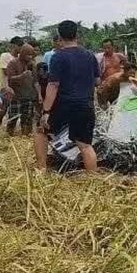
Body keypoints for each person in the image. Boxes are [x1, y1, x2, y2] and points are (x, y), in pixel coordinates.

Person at [37, 21, 101, 172]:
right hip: (85, 104)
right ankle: (95, 179)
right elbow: (98, 81)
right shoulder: (90, 55)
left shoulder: (58, 57)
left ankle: (41, 170)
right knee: (85, 145)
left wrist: (46, 112)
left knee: (41, 131)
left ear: (59, 36)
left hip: (64, 105)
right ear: (76, 35)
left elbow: (53, 85)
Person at [4, 43, 40, 136]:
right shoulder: (13, 63)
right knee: (12, 118)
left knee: (27, 119)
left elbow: (36, 82)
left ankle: (26, 137)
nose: (30, 57)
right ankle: (9, 137)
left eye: (31, 54)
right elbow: (10, 79)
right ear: (22, 53)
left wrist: (39, 95)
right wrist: (22, 76)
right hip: (16, 96)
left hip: (29, 96)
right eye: (28, 54)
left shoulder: (32, 64)